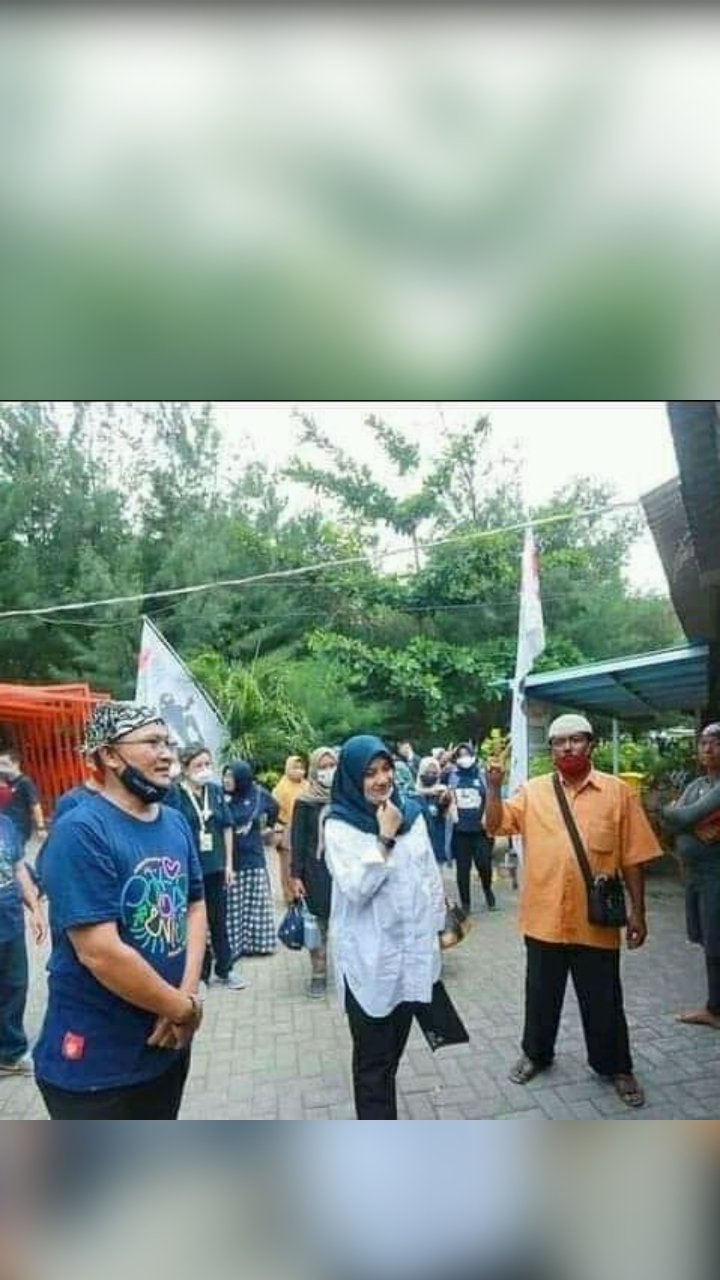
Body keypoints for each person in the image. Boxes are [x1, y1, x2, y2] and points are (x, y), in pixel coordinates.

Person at [33, 702, 207, 1119]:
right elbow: (100, 953)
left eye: (168, 743)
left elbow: (194, 905)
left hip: (165, 1046)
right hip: (97, 1067)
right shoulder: (81, 831)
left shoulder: (174, 821)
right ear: (110, 755)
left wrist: (184, 997)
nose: (166, 754)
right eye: (152, 742)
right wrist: (182, 1010)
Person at [485, 712, 662, 1109]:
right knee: (540, 995)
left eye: (575, 739)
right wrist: (493, 788)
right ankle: (536, 1054)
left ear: (591, 744)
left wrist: (638, 913)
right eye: (559, 742)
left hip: (595, 922)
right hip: (543, 919)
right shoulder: (532, 792)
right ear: (551, 750)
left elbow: (634, 857)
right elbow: (495, 826)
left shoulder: (618, 793)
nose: (567, 747)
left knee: (604, 999)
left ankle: (616, 1066)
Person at [324, 734, 446, 1120]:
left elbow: (429, 875)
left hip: (411, 955)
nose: (381, 779)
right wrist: (385, 837)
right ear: (351, 778)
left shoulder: (411, 813)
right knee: (373, 1067)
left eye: (386, 769)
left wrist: (438, 930)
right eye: (370, 773)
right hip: (369, 962)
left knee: (391, 1057)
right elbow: (356, 888)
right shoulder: (339, 825)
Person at [167, 744, 243, 992]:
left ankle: (225, 969)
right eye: (198, 765)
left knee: (219, 920)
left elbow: (227, 826)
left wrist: (229, 864)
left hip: (216, 866)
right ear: (185, 768)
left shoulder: (215, 791)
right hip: (190, 869)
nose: (204, 770)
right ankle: (199, 973)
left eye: (207, 764)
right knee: (194, 922)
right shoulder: (175, 794)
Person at [660, 722, 720, 1029]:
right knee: (705, 938)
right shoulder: (698, 785)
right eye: (703, 743)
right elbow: (667, 819)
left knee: (716, 942)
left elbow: (679, 815)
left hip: (715, 876)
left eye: (716, 743)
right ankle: (714, 1006)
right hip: (695, 876)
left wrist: (682, 818)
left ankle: (715, 1009)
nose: (708, 749)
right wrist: (693, 826)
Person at [0, 812, 47, 1075]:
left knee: (15, 987)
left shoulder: (5, 824)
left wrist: (36, 909)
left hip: (11, 924)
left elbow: (19, 868)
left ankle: (10, 1054)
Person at [289, 747, 337, 998]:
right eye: (323, 767)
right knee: (317, 926)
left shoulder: (346, 797)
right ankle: (318, 974)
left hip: (343, 871)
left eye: (332, 766)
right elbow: (298, 841)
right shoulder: (305, 802)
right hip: (315, 871)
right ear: (314, 771)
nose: (328, 771)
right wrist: (295, 876)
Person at [225, 760, 279, 957]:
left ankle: (259, 944)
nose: (226, 780)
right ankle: (234, 947)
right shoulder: (219, 797)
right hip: (230, 860)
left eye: (231, 776)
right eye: (225, 776)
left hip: (253, 857)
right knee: (233, 905)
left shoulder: (257, 793)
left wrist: (269, 827)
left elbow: (274, 807)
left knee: (255, 904)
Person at [448, 743, 496, 912]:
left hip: (480, 830)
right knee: (463, 869)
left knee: (484, 864)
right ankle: (466, 904)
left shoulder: (481, 775)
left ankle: (488, 890)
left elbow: (491, 796)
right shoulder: (452, 776)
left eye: (466, 754)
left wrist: (487, 816)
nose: (464, 758)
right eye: (460, 755)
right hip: (460, 831)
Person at [272, 755, 307, 902]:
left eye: (301, 768)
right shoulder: (281, 788)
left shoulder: (307, 785)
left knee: (302, 862)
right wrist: (278, 831)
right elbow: (274, 811)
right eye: (295, 767)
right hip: (286, 827)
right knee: (288, 863)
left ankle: (302, 893)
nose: (299, 771)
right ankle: (290, 896)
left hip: (304, 827)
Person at [0, 750, 47, 849]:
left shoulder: (25, 782)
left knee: (13, 853)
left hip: (19, 827)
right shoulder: (4, 782)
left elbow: (35, 804)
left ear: (16, 764)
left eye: (4, 763)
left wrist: (41, 827)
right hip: (5, 826)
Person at [414, 755, 456, 865]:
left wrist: (446, 800)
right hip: (418, 843)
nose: (430, 776)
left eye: (434, 773)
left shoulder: (441, 791)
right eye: (427, 772)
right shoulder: (413, 794)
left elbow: (447, 813)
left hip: (437, 843)